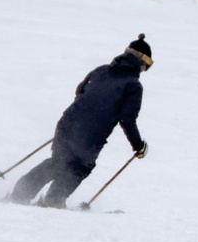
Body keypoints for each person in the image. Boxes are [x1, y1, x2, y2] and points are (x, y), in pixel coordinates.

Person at [10, 35, 152, 208]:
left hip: (67, 123)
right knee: (80, 167)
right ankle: (54, 200)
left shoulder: (100, 70)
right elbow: (127, 119)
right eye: (147, 66)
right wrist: (138, 146)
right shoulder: (133, 85)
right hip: (91, 135)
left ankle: (20, 194)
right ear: (142, 62)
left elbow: (79, 92)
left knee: (58, 162)